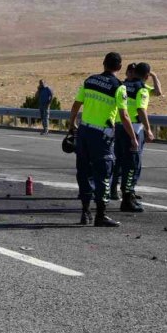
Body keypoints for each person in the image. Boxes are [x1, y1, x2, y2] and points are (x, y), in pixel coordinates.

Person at [67, 52, 138, 227]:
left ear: (103, 63)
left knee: (83, 172)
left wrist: (72, 124)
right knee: (103, 174)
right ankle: (101, 214)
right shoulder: (118, 87)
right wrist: (133, 138)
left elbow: (76, 104)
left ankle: (85, 212)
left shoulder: (90, 81)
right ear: (120, 67)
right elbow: (124, 115)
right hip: (102, 137)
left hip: (84, 132)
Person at [109, 65, 162, 200]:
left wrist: (154, 77)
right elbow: (141, 110)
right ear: (146, 76)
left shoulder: (122, 85)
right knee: (133, 162)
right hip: (133, 128)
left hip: (120, 126)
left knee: (120, 160)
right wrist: (148, 129)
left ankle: (116, 189)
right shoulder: (141, 89)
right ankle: (128, 191)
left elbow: (157, 92)